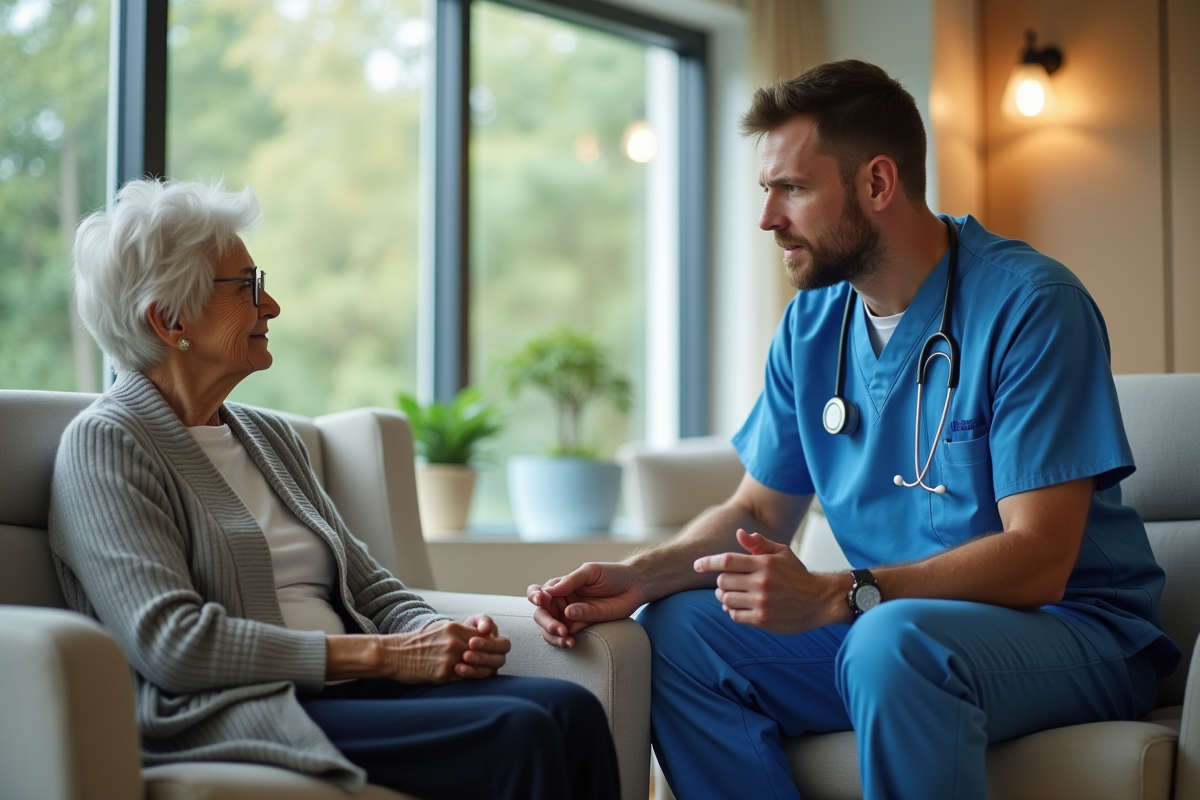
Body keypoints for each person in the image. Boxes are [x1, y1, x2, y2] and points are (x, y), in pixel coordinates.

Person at [528, 60, 1180, 800]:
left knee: (890, 641)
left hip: (1068, 634)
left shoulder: (1031, 306)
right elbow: (755, 513)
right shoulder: (812, 326)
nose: (768, 218)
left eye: (793, 189)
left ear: (876, 183)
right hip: (893, 632)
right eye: (767, 190)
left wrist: (842, 594)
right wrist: (639, 574)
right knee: (678, 633)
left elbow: (1040, 559)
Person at [50, 178, 620, 800]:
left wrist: (442, 638)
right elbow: (174, 647)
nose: (271, 307)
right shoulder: (107, 444)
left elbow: (368, 584)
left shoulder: (267, 437)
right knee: (521, 731)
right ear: (169, 319)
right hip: (243, 707)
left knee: (573, 711)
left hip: (355, 688)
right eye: (249, 287)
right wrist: (389, 655)